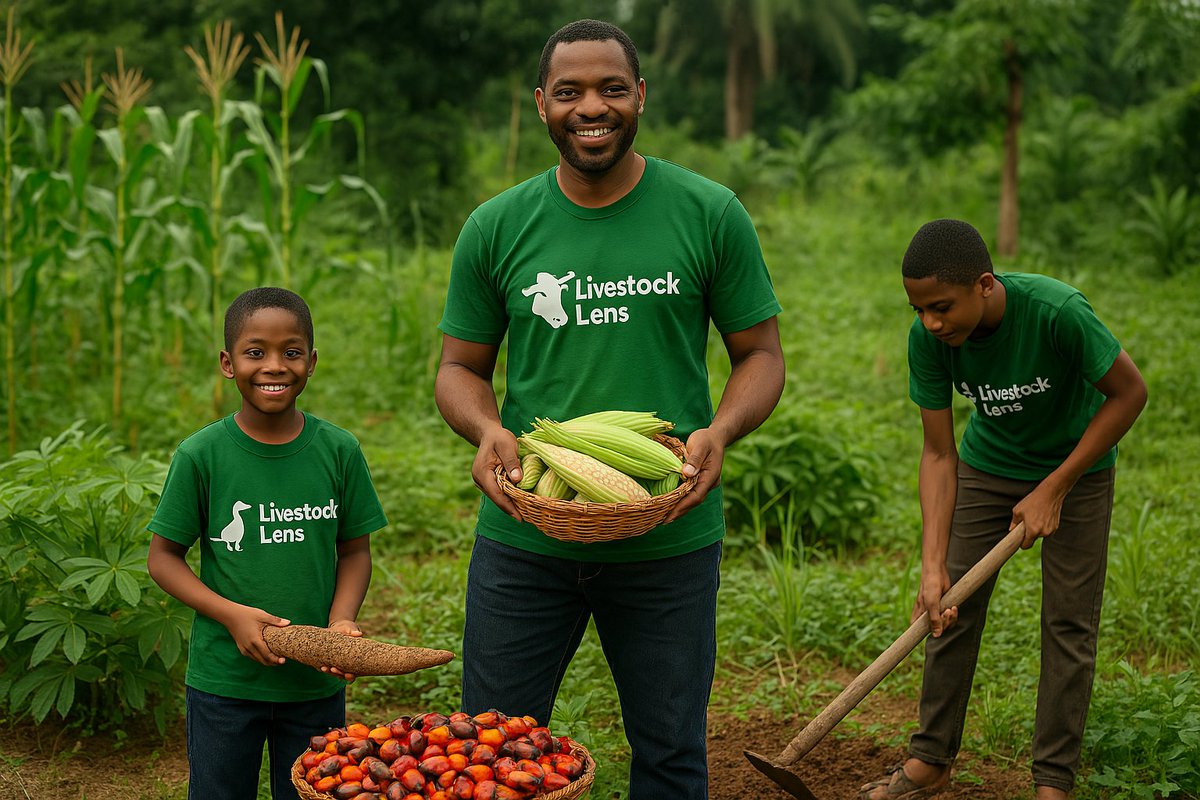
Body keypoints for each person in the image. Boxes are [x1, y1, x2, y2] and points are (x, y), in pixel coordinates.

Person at [434, 18, 785, 800]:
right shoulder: (496, 227)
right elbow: (460, 369)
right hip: (525, 532)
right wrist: (489, 428)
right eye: (570, 92)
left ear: (641, 97)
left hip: (669, 529)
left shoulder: (707, 212)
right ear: (540, 104)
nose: (592, 107)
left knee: (669, 755)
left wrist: (720, 429)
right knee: (493, 750)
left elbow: (759, 354)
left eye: (611, 89)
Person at [859, 219, 1147, 800]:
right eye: (919, 310)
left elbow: (1130, 393)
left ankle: (1052, 783)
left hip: (1080, 470)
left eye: (941, 307)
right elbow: (940, 453)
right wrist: (932, 563)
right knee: (946, 608)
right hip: (988, 468)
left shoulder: (1056, 312)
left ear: (985, 285)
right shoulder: (929, 341)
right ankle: (930, 760)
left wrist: (1056, 486)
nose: (930, 323)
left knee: (1068, 624)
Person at [147, 287, 388, 800]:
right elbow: (163, 559)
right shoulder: (202, 455)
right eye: (255, 352)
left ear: (312, 361)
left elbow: (355, 551)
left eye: (291, 352)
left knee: (312, 792)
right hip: (224, 683)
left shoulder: (339, 451)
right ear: (228, 363)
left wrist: (341, 621)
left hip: (314, 684)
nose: (275, 366)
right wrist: (232, 614)